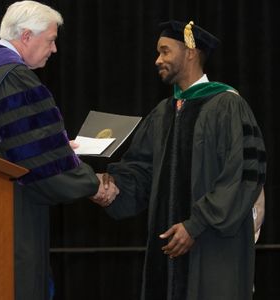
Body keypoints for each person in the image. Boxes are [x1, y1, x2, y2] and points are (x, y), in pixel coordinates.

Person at [0, 2, 115, 299]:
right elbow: (37, 160)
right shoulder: (14, 79)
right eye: (50, 39)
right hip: (8, 219)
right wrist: (90, 184)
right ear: (25, 36)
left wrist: (58, 146)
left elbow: (13, 142)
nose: (55, 49)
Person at [95, 20, 267, 299]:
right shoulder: (163, 113)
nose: (157, 60)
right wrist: (109, 188)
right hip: (168, 252)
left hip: (213, 247)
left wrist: (195, 224)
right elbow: (141, 172)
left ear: (190, 51)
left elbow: (241, 175)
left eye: (165, 51)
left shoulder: (228, 105)